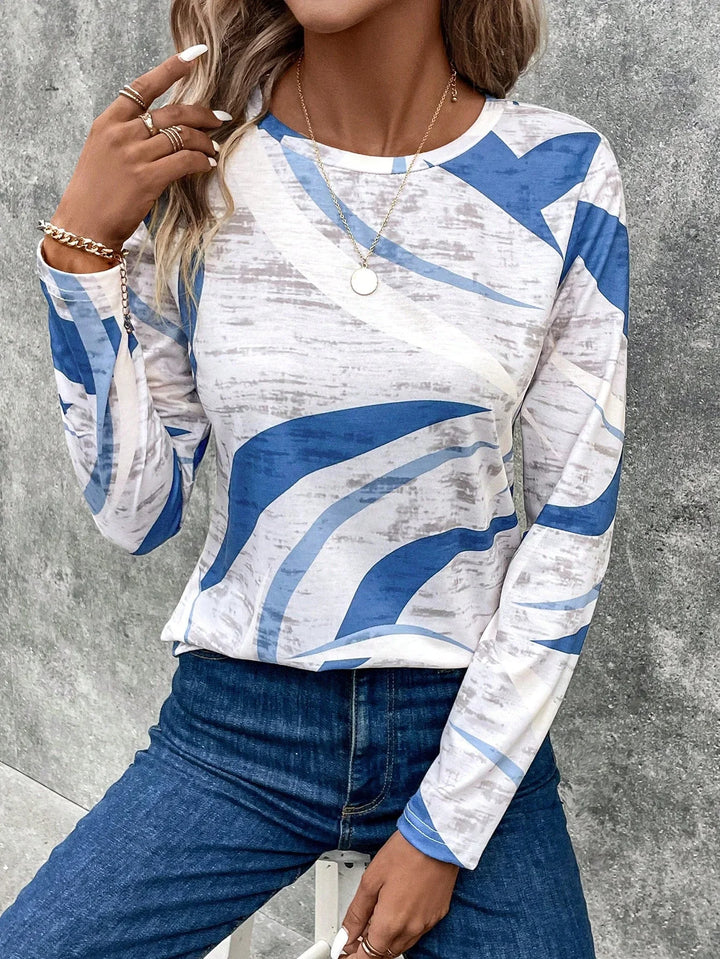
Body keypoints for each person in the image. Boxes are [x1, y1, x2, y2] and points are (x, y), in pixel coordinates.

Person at [0, 0, 630, 957]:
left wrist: (440, 833)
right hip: (239, 724)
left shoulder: (562, 175)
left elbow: (571, 528)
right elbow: (138, 511)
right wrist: (78, 252)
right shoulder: (203, 164)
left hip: (459, 729)